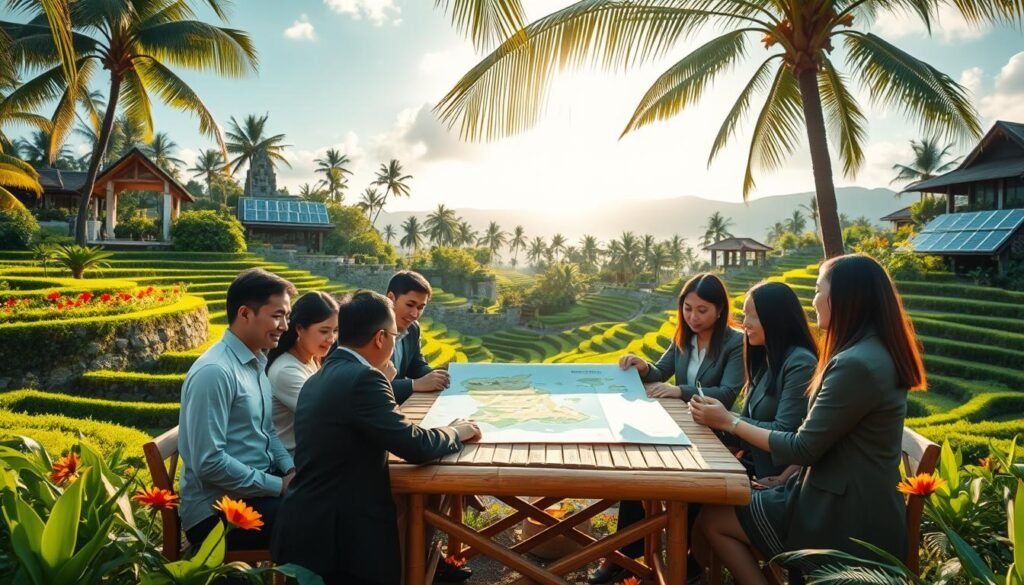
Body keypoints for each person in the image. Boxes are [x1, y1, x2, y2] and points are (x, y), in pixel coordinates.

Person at [690, 254, 926, 585]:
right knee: (712, 514)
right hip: (835, 495)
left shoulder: (855, 364)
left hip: (840, 513)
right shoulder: (867, 353)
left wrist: (729, 421)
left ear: (845, 297)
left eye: (818, 289)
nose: (813, 300)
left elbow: (802, 446)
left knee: (713, 520)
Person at [271, 290, 482, 585]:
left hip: (309, 527)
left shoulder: (323, 374)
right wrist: (456, 431)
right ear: (381, 338)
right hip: (340, 539)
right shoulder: (364, 379)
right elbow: (415, 446)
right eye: (394, 335)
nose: (395, 342)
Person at [590, 273, 745, 584]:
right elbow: (662, 370)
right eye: (688, 308)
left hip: (714, 429)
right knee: (638, 475)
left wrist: (681, 391)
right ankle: (623, 556)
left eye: (702, 310)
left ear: (719, 310)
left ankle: (683, 563)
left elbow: (728, 391)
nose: (693, 317)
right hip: (681, 423)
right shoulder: (683, 336)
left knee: (689, 491)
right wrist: (644, 367)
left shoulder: (734, 343)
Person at [178, 268, 298, 550]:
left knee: (328, 499)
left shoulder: (255, 362)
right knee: (317, 520)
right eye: (277, 315)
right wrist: (278, 485)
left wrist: (291, 469)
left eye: (287, 316)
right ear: (245, 314)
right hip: (216, 513)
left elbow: (267, 431)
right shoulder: (215, 372)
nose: (285, 326)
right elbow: (209, 462)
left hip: (252, 494)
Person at [722, 281, 818, 485]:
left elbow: (784, 431)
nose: (745, 323)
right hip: (751, 467)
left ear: (776, 319)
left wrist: (726, 420)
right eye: (744, 314)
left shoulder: (801, 363)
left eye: (753, 316)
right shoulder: (766, 358)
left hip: (777, 481)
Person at [267, 291, 340, 454]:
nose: (331, 338)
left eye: (335, 331)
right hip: (292, 466)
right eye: (324, 331)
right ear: (299, 328)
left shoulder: (313, 359)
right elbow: (330, 414)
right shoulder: (286, 371)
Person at [386, 271, 451, 405]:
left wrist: (438, 376)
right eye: (410, 305)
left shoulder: (413, 328)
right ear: (391, 298)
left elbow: (416, 365)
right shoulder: (368, 331)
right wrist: (414, 385)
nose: (415, 314)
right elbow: (368, 386)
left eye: (421, 307)